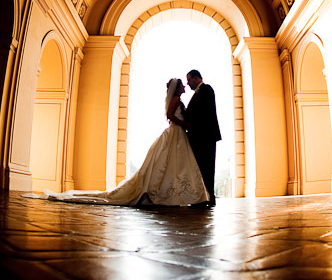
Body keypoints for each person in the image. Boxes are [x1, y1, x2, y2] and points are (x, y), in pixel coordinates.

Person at [43, 78, 209, 206]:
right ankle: (161, 193)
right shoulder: (174, 100)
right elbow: (171, 117)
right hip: (175, 133)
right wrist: (185, 124)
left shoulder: (177, 99)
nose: (185, 86)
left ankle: (175, 193)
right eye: (182, 85)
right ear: (177, 87)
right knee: (169, 163)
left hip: (179, 135)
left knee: (175, 165)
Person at [184, 69, 222, 207]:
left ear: (196, 78)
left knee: (207, 167)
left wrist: (187, 122)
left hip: (205, 136)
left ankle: (209, 197)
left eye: (189, 80)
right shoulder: (197, 94)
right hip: (199, 136)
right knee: (200, 167)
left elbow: (202, 113)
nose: (187, 83)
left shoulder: (206, 89)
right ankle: (202, 196)